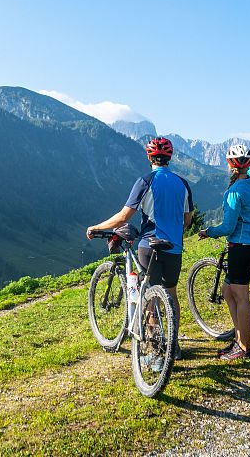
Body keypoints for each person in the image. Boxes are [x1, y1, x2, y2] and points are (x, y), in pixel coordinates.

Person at [86, 136, 194, 358]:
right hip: (174, 247)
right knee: (171, 295)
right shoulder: (183, 184)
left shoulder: (145, 181)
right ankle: (173, 347)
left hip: (149, 245)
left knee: (151, 297)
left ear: (149, 157)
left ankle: (155, 350)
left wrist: (96, 227)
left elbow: (124, 216)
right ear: (169, 158)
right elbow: (188, 220)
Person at [198, 144, 250, 360]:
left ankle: (244, 347)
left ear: (230, 165)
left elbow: (228, 227)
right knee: (227, 291)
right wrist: (246, 165)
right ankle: (238, 338)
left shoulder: (234, 192)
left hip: (240, 248)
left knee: (241, 297)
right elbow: (249, 170)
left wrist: (209, 232)